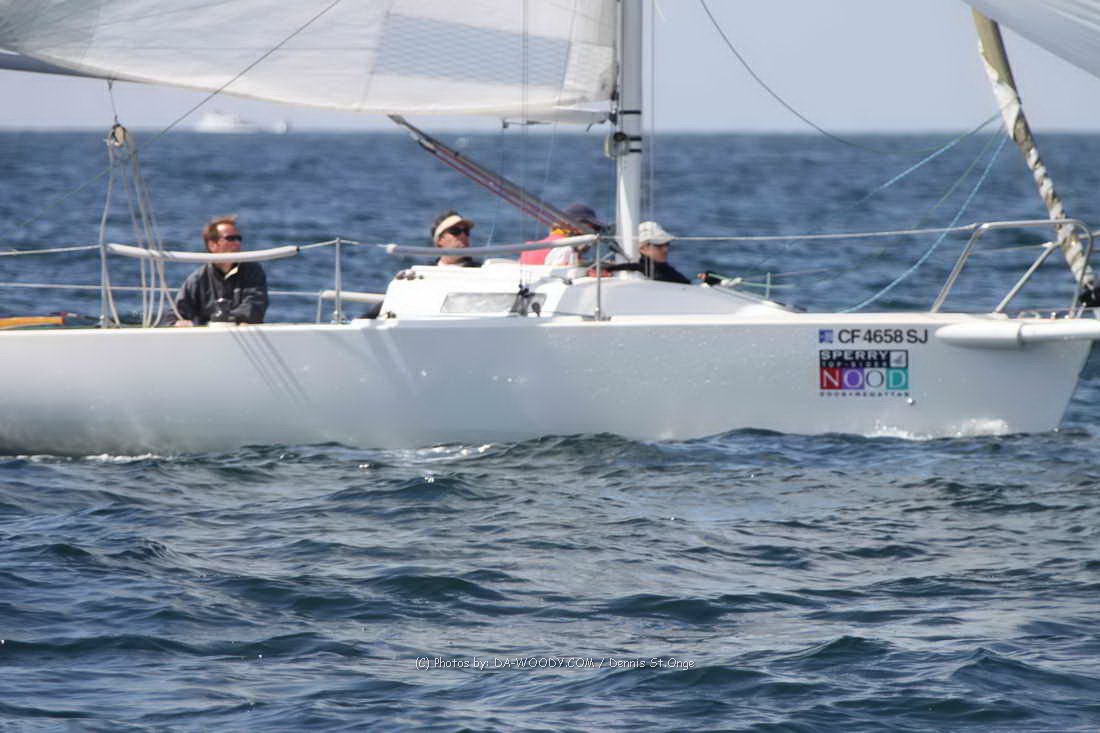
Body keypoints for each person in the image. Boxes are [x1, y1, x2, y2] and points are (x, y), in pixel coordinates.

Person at [174, 215, 268, 326]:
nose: (237, 243)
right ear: (212, 245)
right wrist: (179, 322)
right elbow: (176, 314)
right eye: (230, 238)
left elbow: (255, 305)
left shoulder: (253, 271)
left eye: (239, 238)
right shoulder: (197, 279)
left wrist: (225, 319)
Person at [601, 221, 691, 284]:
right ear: (643, 248)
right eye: (659, 245)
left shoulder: (665, 269)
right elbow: (636, 266)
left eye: (667, 244)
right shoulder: (645, 270)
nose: (665, 249)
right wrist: (609, 269)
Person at [520, 203, 605, 267]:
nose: (594, 233)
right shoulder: (566, 251)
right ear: (576, 227)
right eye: (592, 228)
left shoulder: (528, 250)